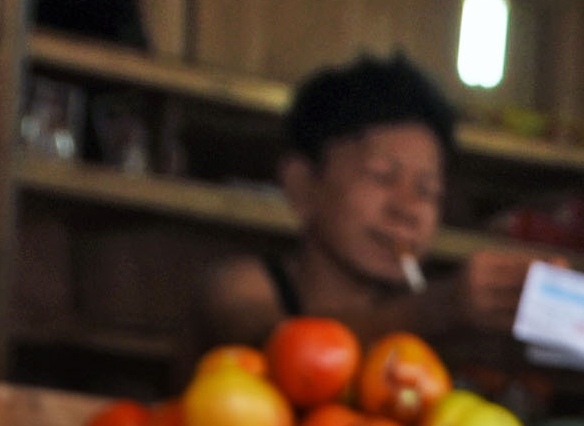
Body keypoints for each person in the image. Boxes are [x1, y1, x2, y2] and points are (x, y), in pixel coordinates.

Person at [198, 54, 532, 353]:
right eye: (383, 177)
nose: (407, 209)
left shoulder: (430, 325)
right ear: (302, 185)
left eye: (428, 191)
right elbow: (273, 344)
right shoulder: (242, 289)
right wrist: (432, 312)